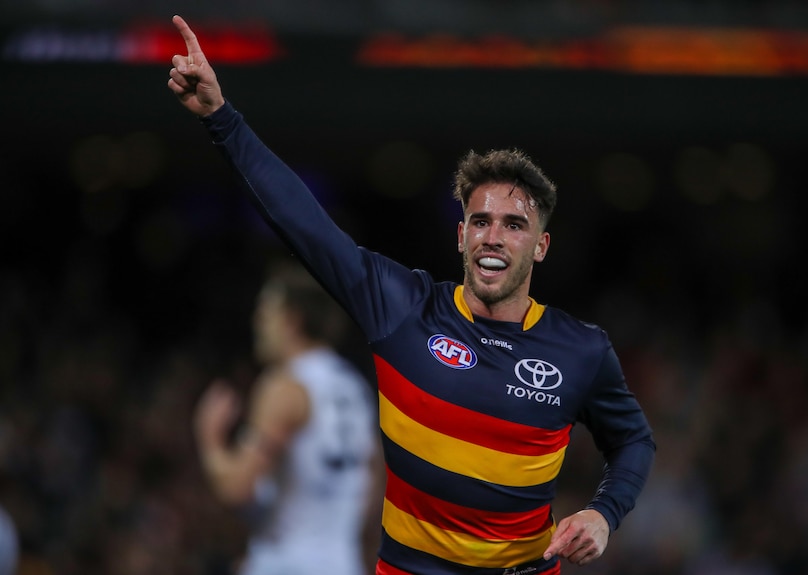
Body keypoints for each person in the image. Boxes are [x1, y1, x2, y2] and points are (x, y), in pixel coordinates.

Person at [168, 14, 656, 575]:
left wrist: (603, 514)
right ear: (461, 234)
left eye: (513, 225)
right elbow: (304, 224)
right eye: (480, 221)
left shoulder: (582, 350)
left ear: (540, 245)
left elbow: (635, 443)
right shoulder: (403, 307)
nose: (493, 236)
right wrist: (221, 120)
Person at [193, 262, 380, 575]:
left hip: (285, 561)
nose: (257, 322)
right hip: (342, 563)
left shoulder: (285, 386)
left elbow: (236, 487)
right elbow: (373, 483)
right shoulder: (355, 388)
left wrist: (208, 436)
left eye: (266, 312)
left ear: (292, 320)